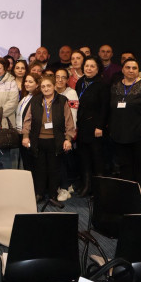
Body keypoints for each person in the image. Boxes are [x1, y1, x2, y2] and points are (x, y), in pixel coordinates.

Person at [108, 58, 141, 199]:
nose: (131, 70)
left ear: (138, 70)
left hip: (140, 134)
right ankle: (127, 197)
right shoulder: (116, 86)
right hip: (120, 134)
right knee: (125, 167)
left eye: (134, 68)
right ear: (122, 69)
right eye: (128, 67)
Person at [22, 75, 76, 202]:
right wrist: (25, 136)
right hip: (38, 140)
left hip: (55, 140)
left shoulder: (62, 100)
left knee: (54, 169)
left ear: (54, 86)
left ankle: (52, 195)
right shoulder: (35, 100)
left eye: (48, 86)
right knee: (39, 169)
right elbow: (27, 120)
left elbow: (69, 121)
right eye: (43, 87)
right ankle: (39, 194)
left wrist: (68, 138)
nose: (46, 89)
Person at [74, 56, 108, 197]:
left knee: (97, 158)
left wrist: (100, 126)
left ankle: (99, 190)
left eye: (92, 66)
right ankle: (87, 186)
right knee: (84, 158)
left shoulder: (102, 84)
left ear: (98, 68)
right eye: (87, 66)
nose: (89, 68)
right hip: (82, 126)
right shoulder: (80, 82)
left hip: (96, 127)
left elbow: (105, 108)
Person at [53, 67, 78, 200]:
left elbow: (73, 116)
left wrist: (68, 135)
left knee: (64, 160)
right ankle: (64, 185)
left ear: (68, 80)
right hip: (51, 133)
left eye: (63, 77)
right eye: (57, 77)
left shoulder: (71, 93)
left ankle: (65, 187)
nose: (60, 80)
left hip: (65, 133)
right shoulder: (51, 91)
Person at [16, 73, 42, 174]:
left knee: (32, 165)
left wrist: (26, 136)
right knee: (26, 163)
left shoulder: (38, 98)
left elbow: (34, 118)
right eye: (26, 81)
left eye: (30, 82)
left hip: (30, 135)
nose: (27, 84)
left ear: (37, 84)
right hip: (21, 133)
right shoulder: (26, 96)